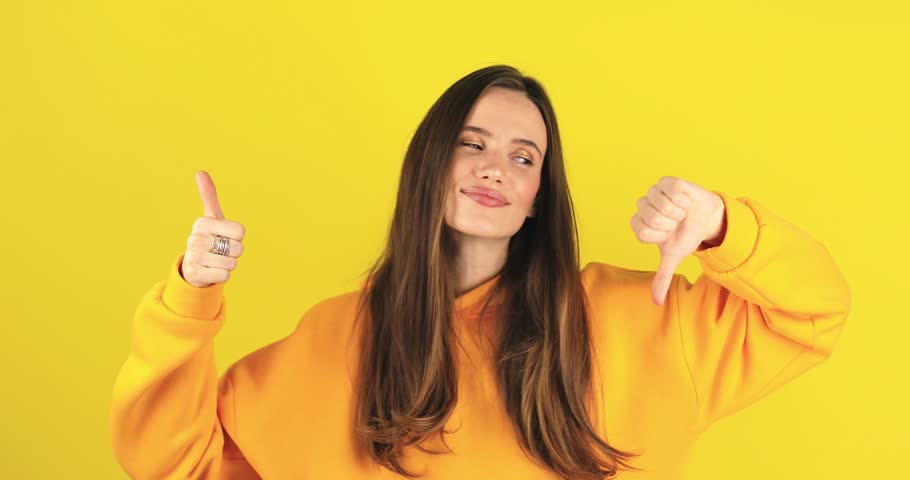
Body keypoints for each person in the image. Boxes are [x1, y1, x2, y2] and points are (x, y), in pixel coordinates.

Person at [110, 65, 851, 480]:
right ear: (429, 165)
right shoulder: (333, 339)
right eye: (473, 144)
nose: (497, 168)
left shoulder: (643, 317)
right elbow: (177, 463)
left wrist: (722, 224)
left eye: (524, 157)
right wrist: (191, 295)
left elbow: (812, 313)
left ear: (537, 198)